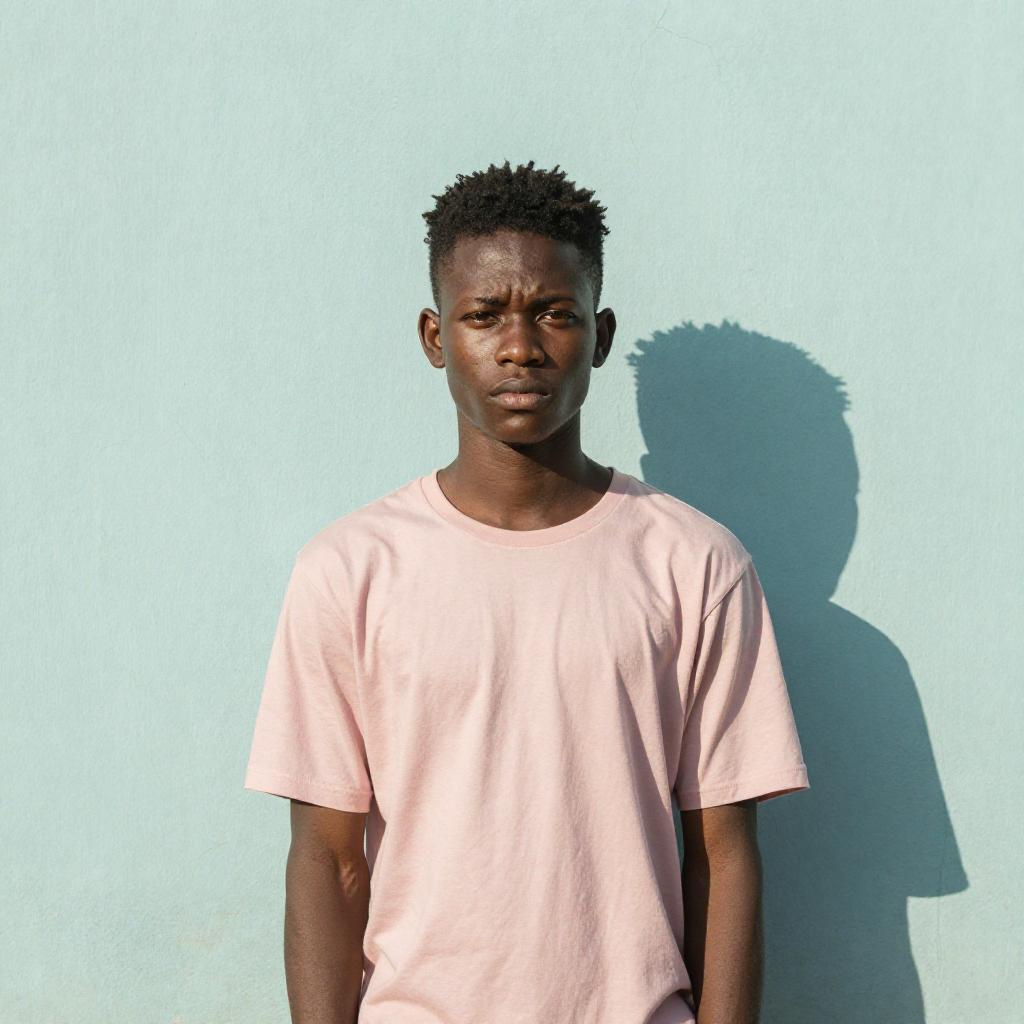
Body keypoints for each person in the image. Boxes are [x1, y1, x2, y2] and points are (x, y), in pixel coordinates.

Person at [244, 159, 810, 1024]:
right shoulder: (349, 569)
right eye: (484, 315)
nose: (520, 347)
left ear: (600, 332)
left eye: (554, 312)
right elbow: (326, 858)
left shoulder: (695, 564)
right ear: (436, 337)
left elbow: (725, 856)